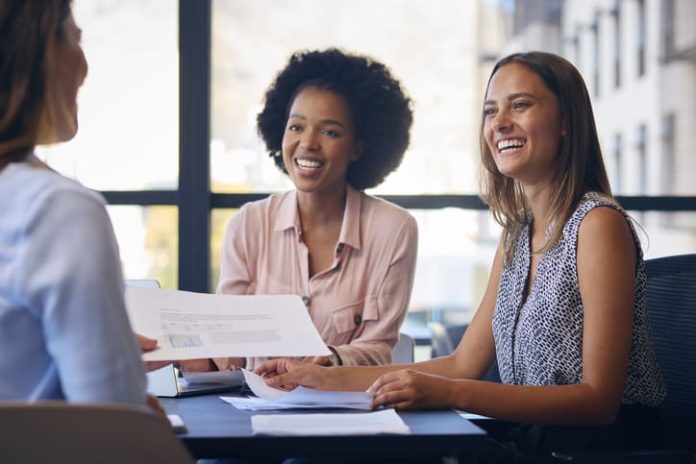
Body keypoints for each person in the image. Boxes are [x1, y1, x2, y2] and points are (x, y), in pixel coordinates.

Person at [256, 51, 666, 459]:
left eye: (520, 105)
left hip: (595, 451)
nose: (499, 123)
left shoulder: (597, 225)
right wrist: (323, 377)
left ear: (565, 122)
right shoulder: (516, 235)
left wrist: (448, 393)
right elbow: (462, 363)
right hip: (532, 443)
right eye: (491, 111)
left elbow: (598, 401)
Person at [181, 48, 418, 372]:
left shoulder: (394, 230)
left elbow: (378, 348)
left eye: (330, 131)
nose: (307, 143)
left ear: (358, 147)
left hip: (345, 409)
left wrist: (329, 361)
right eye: (296, 127)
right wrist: (186, 356)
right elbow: (229, 347)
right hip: (254, 409)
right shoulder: (249, 224)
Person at [0, 0, 160, 414]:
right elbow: (112, 425)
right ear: (39, 52)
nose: (85, 70)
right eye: (76, 40)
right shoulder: (56, 210)